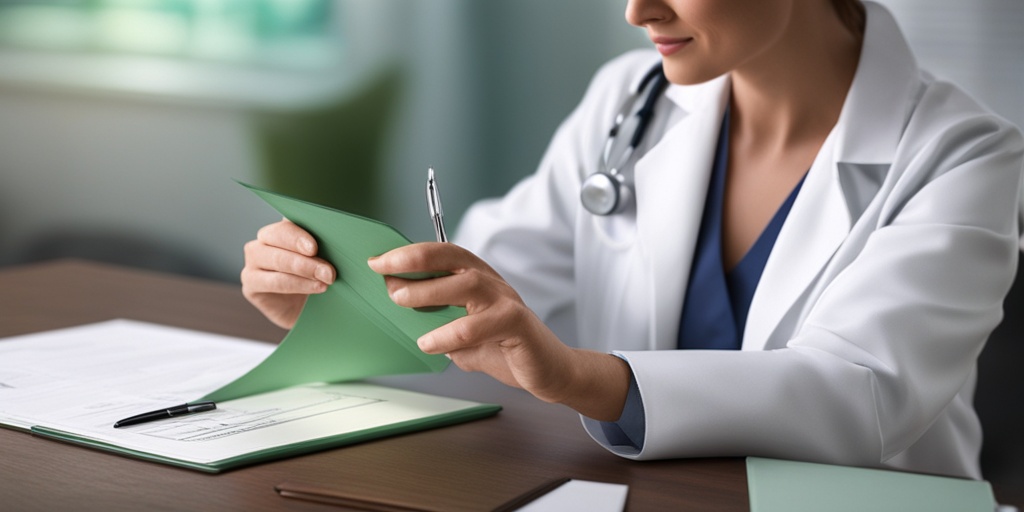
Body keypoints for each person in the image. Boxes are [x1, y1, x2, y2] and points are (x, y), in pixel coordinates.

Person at [241, 0, 1024, 480]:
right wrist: (333, 296)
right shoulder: (630, 100)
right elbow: (486, 293)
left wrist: (580, 377)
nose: (637, 9)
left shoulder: (963, 155)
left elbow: (861, 399)